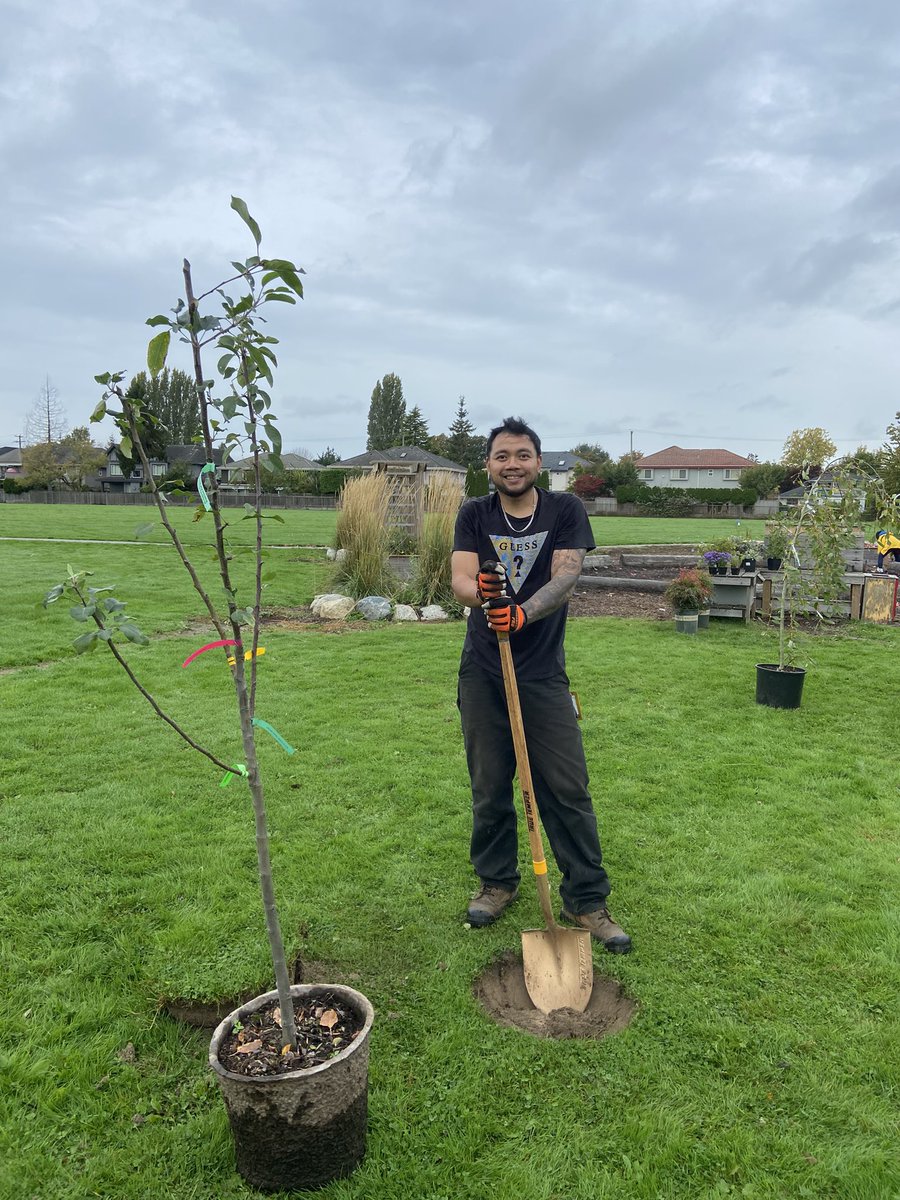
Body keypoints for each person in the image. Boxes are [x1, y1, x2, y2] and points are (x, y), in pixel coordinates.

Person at [451, 416, 631, 953]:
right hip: (484, 669)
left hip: (542, 671)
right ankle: (497, 883)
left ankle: (587, 899)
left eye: (523, 455)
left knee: (566, 784)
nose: (513, 464)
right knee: (489, 782)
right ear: (489, 464)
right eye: (502, 455)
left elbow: (566, 575)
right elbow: (460, 576)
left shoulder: (564, 510)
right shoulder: (474, 514)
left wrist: (521, 614)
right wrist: (483, 597)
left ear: (537, 461)